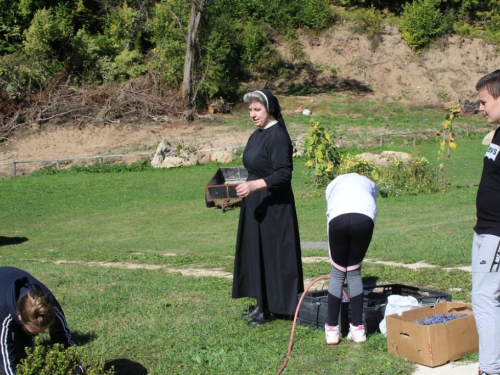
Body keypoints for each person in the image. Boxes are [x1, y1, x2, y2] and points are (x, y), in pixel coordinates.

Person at [232, 89, 304, 327]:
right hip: (255, 202)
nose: (252, 114)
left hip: (274, 206)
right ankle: (261, 303)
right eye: (250, 110)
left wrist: (254, 185)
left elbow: (284, 174)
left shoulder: (278, 136)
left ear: (269, 109)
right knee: (256, 253)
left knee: (273, 256)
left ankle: (274, 307)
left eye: (257, 109)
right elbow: (254, 166)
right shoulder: (258, 134)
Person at [324, 173, 377, 345]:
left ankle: (332, 330)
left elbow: (330, 212)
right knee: (354, 272)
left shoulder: (333, 185)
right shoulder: (368, 183)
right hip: (365, 216)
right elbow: (373, 205)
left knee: (338, 272)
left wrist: (334, 259)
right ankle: (358, 330)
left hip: (339, 217)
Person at [0, 266, 81, 375]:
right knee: (17, 354)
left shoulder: (49, 306)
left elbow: (64, 337)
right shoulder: (4, 313)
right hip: (2, 291)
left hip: (10, 279)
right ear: (19, 318)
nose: (42, 333)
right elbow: (5, 353)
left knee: (25, 354)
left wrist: (76, 367)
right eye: (34, 331)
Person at [472, 69, 500, 375]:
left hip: (497, 231)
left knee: (484, 298)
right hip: (485, 228)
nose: (480, 108)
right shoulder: (499, 133)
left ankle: (491, 369)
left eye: (484, 101)